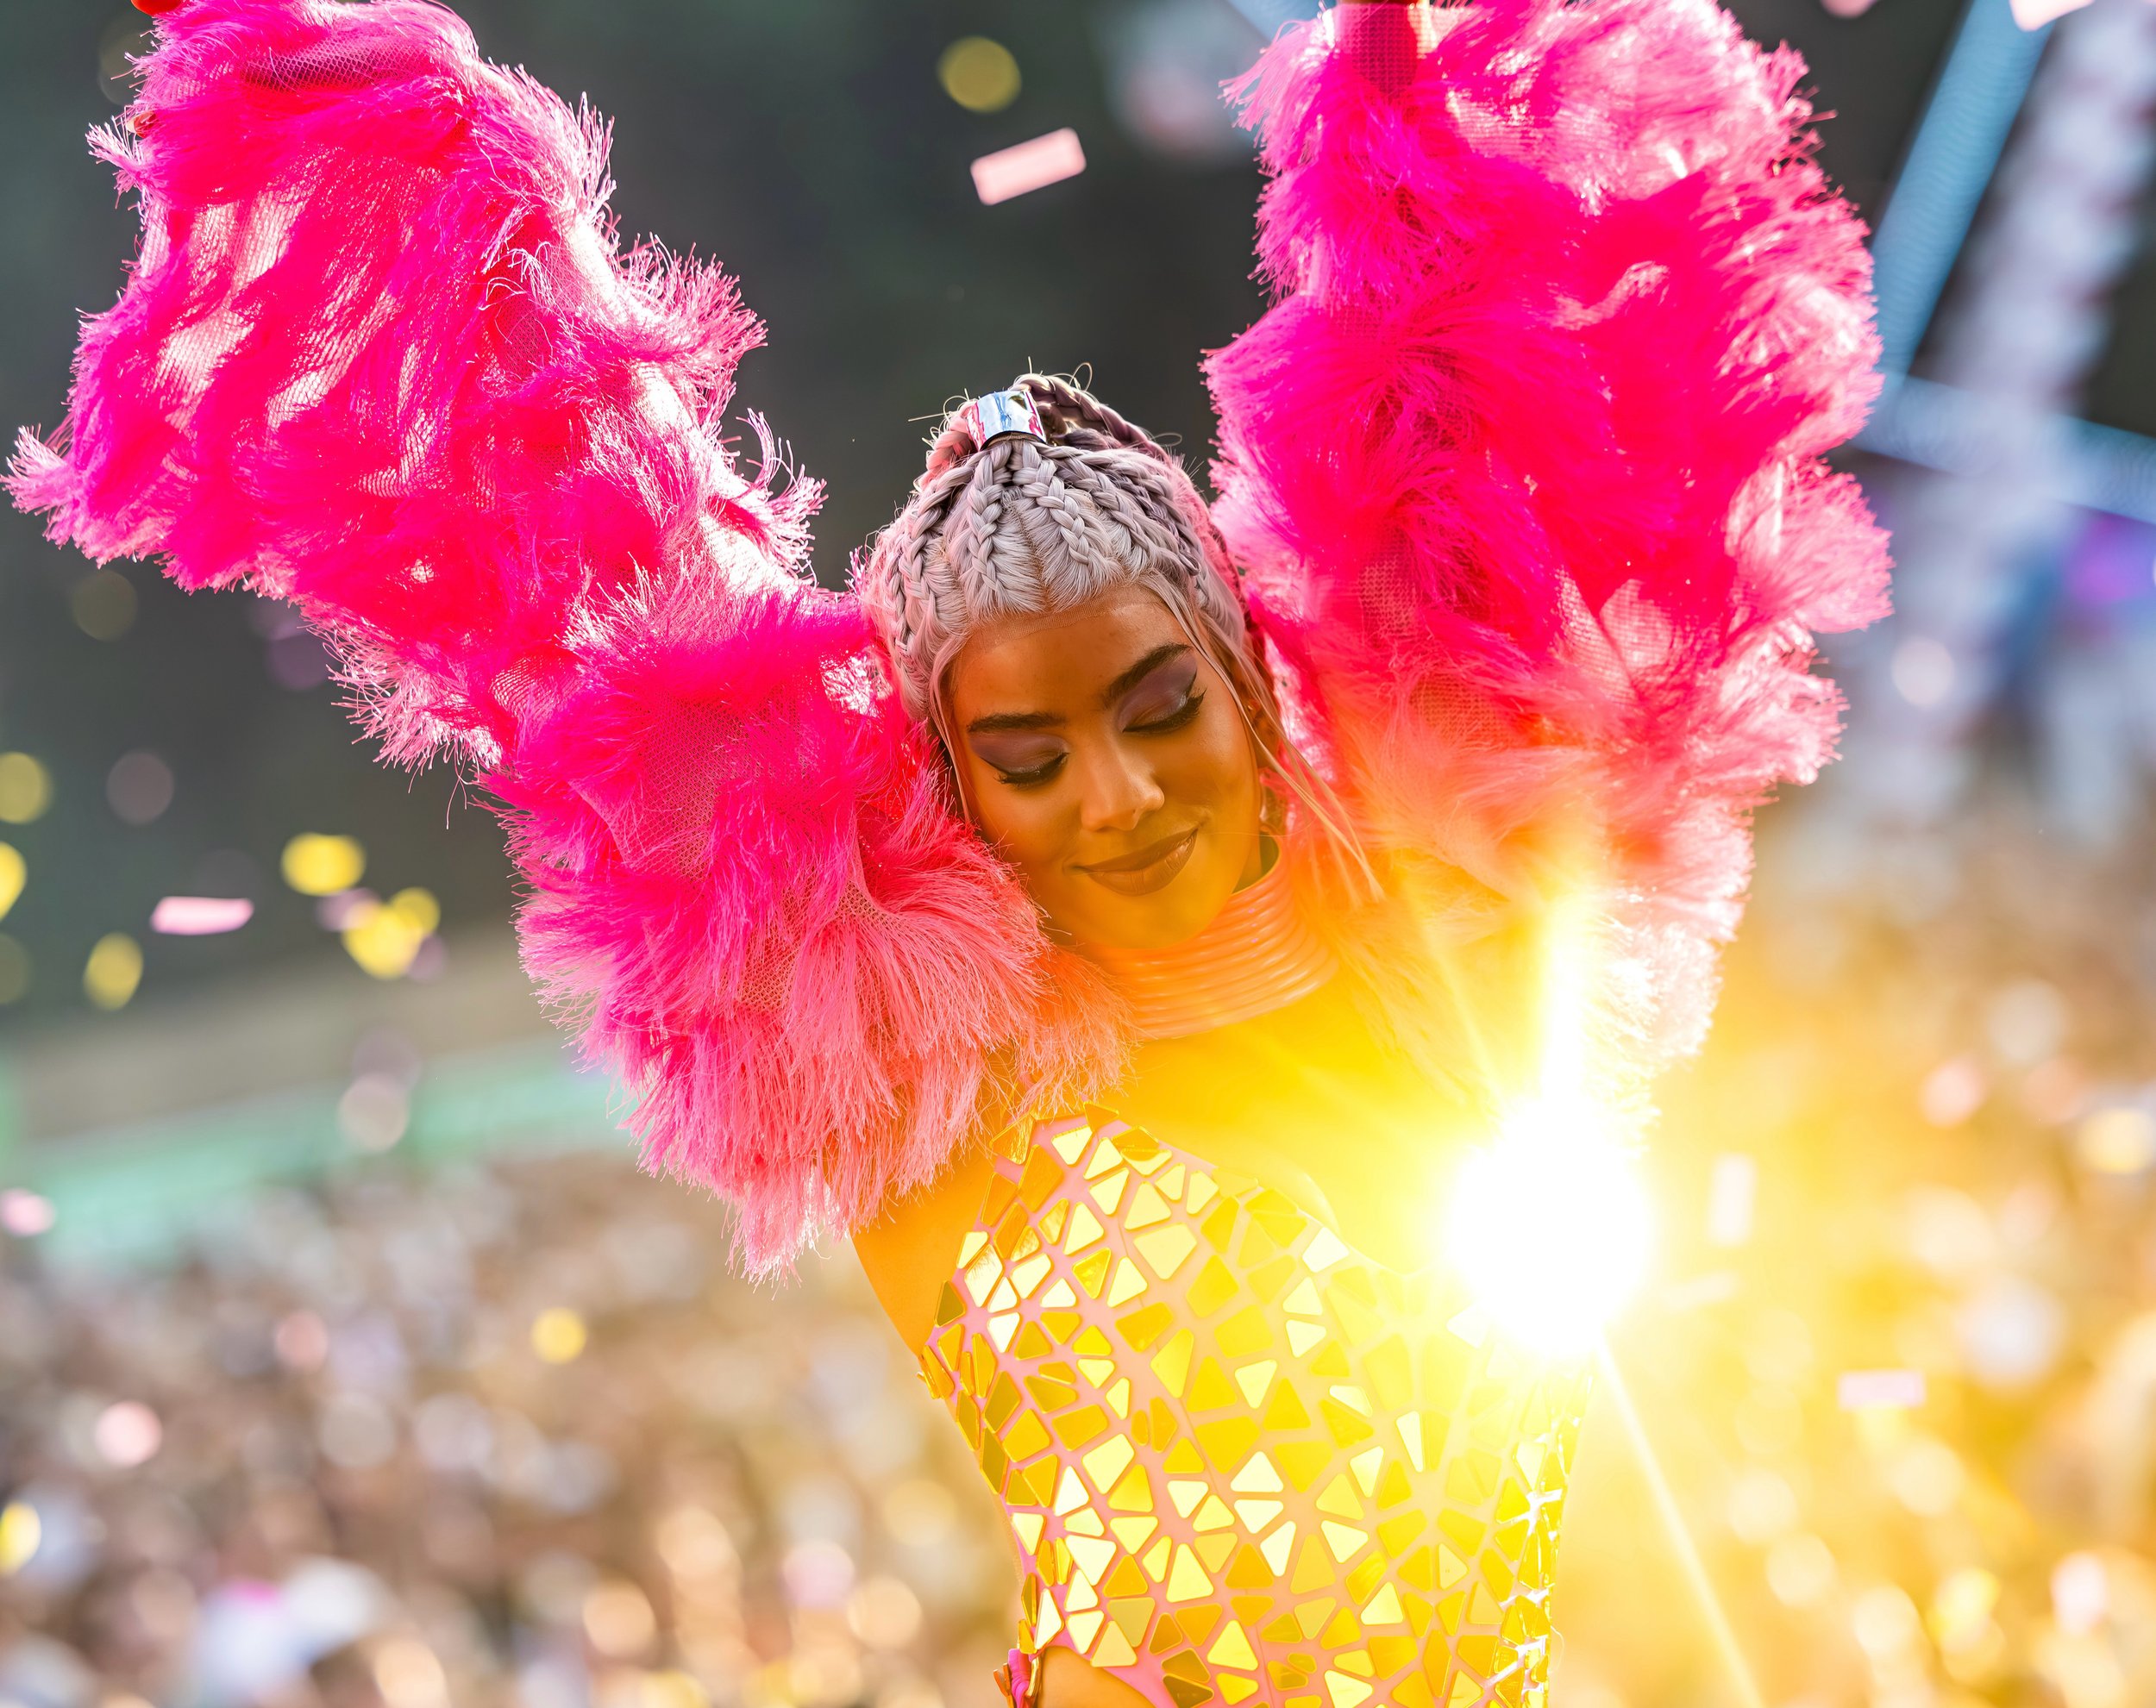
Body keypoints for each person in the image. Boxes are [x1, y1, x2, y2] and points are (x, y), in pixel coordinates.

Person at [10, 0, 1889, 1702]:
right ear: (950, 792)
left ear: (1252, 681)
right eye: (1026, 752)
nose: (1117, 795)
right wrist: (383, 138)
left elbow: (1486, 420)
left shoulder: (1487, 964)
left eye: (1158, 707)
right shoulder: (925, 1091)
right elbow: (598, 565)